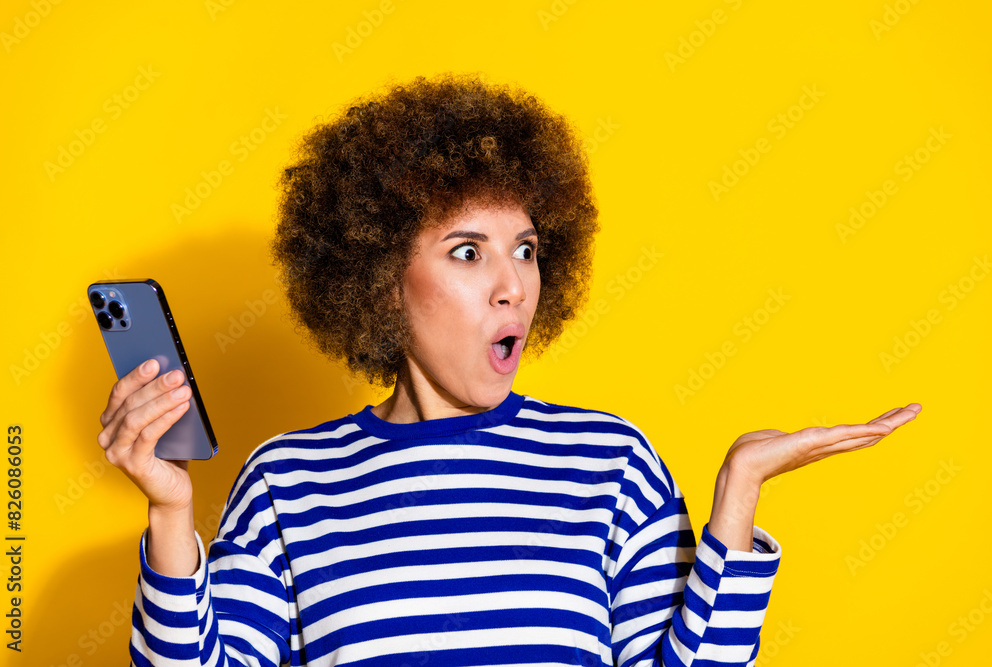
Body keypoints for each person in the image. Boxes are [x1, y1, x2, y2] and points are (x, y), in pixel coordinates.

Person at [97, 72, 921, 667]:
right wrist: (172, 516)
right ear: (381, 277)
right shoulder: (288, 481)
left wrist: (738, 491)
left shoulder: (614, 463)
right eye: (468, 252)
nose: (513, 283)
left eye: (525, 249)